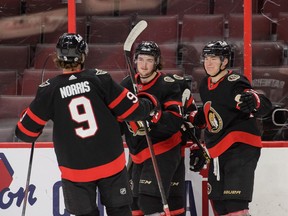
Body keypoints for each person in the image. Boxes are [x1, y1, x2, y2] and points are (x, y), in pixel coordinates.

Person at [15, 33, 161, 216]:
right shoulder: (99, 79)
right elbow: (133, 111)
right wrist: (150, 104)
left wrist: (31, 119)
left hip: (75, 170)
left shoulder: (49, 89)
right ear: (83, 55)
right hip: (111, 163)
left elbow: (24, 133)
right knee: (120, 211)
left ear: (58, 57)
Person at [187, 40, 272, 216]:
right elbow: (213, 112)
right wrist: (193, 118)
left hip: (240, 148)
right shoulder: (205, 84)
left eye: (214, 59)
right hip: (217, 151)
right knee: (220, 206)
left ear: (224, 62)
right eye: (206, 58)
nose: (208, 63)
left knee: (236, 207)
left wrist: (254, 101)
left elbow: (261, 104)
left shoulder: (235, 82)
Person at [120, 41, 185, 216]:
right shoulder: (127, 84)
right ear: (135, 61)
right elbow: (119, 120)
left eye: (149, 60)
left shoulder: (167, 83)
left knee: (149, 201)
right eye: (141, 59)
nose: (144, 65)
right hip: (137, 152)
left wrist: (153, 115)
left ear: (156, 62)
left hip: (163, 149)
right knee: (134, 206)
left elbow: (175, 120)